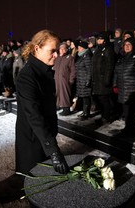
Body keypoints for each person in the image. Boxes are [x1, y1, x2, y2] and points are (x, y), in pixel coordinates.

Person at [15, 30, 69, 174]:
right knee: (35, 182)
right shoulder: (27, 76)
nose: (56, 55)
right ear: (37, 48)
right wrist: (54, 151)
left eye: (57, 50)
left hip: (45, 136)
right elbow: (34, 115)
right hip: (33, 140)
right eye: (52, 51)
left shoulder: (44, 70)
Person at [113, 37, 135, 135]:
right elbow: (116, 72)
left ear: (133, 46)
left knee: (132, 111)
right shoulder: (121, 58)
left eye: (129, 45)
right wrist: (115, 85)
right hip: (122, 88)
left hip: (133, 89)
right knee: (126, 110)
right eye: (125, 45)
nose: (126, 47)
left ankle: (131, 129)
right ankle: (128, 128)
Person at [91, 32, 115, 124]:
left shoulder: (108, 49)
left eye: (101, 39)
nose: (99, 40)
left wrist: (107, 79)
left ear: (105, 40)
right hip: (97, 79)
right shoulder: (98, 49)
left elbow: (110, 66)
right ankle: (103, 115)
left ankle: (106, 117)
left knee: (104, 99)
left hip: (103, 79)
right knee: (99, 99)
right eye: (98, 39)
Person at [54, 43, 76, 116]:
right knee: (58, 93)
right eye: (60, 48)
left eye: (63, 48)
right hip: (57, 79)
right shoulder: (57, 58)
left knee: (65, 94)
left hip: (65, 80)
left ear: (66, 50)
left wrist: (71, 80)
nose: (62, 50)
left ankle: (66, 109)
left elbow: (73, 70)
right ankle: (59, 105)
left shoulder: (70, 58)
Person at [75, 40, 92, 120]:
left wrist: (88, 81)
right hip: (81, 80)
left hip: (84, 80)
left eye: (79, 48)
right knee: (84, 97)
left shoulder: (87, 56)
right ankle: (84, 112)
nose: (78, 49)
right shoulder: (81, 56)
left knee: (86, 97)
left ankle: (86, 113)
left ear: (83, 48)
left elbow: (89, 70)